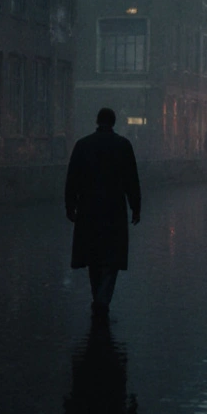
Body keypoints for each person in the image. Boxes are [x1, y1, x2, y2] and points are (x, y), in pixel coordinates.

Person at [65, 107, 142, 315]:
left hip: (88, 208)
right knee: (112, 256)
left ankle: (97, 295)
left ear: (97, 121)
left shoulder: (82, 145)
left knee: (93, 255)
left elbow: (72, 179)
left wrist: (70, 206)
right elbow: (132, 181)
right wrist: (136, 207)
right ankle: (103, 298)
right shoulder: (123, 146)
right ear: (114, 122)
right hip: (113, 209)